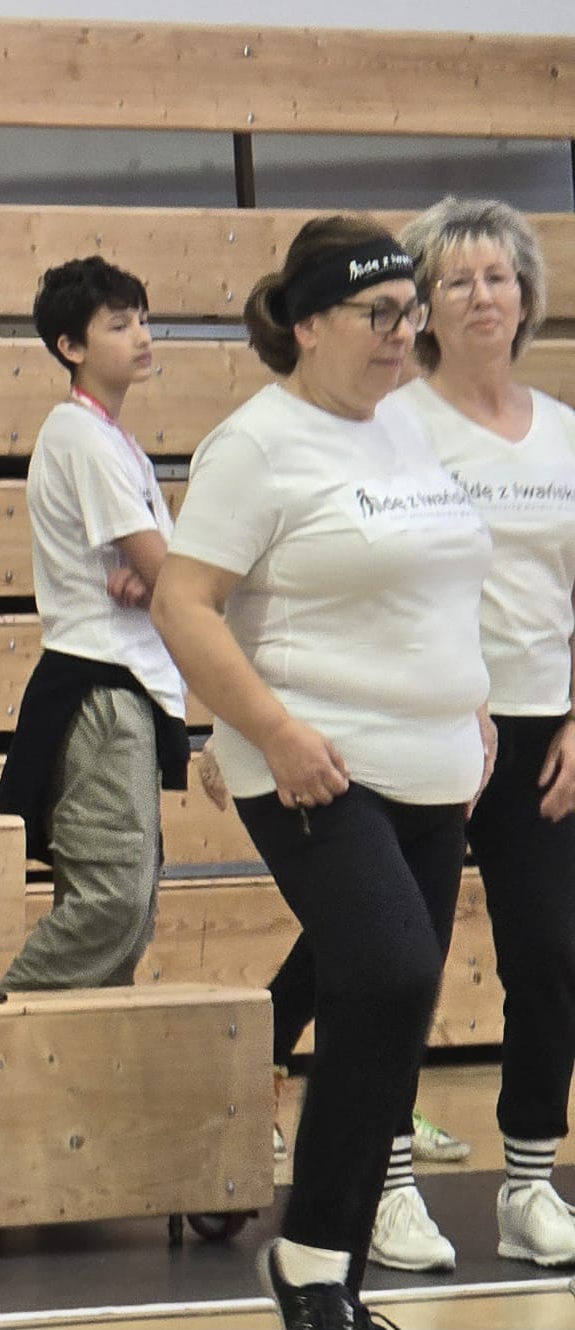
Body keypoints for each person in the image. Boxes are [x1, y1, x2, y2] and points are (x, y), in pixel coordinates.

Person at [149, 215, 492, 1328]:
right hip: (315, 765)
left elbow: (437, 576)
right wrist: (273, 730)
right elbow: (182, 604)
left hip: (435, 765)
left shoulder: (408, 424)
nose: (403, 332)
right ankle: (312, 1256)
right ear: (305, 325)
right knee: (388, 972)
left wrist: (474, 699)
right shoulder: (256, 445)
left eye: (410, 312)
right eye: (378, 313)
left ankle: (321, 1272)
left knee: (386, 1002)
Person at [314, 196, 575, 1275]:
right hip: (423, 727)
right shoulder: (397, 422)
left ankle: (530, 1183)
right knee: (398, 965)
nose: (482, 296)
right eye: (457, 280)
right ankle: (386, 1187)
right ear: (422, 304)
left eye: (498, 276)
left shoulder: (563, 429)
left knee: (552, 955)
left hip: (542, 736)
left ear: (526, 295)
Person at [0, 258, 189, 991]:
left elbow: (167, 571)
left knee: (129, 915)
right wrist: (165, 577)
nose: (141, 336)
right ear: (70, 346)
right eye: (119, 324)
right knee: (112, 902)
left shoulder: (111, 439)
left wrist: (164, 576)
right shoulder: (82, 435)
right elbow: (173, 573)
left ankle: (53, 1053)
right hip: (102, 686)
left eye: (143, 320)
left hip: (123, 681)